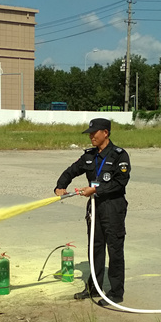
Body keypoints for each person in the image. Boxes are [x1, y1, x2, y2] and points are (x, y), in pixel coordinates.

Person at [55, 118, 130, 307]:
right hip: (95, 208)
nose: (91, 136)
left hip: (113, 207)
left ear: (105, 133)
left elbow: (120, 182)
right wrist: (60, 186)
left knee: (114, 249)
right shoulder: (89, 156)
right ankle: (93, 288)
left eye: (94, 133)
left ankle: (115, 292)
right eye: (89, 133)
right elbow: (71, 171)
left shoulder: (120, 155)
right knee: (94, 247)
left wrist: (95, 190)